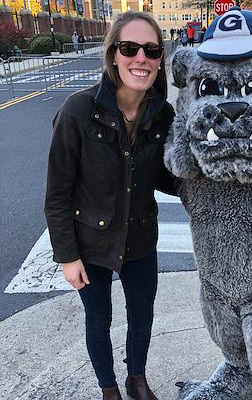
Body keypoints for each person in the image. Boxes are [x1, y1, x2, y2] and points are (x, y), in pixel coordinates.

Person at [45, 11, 177, 400]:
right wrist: (67, 256)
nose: (141, 58)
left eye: (151, 50)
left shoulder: (163, 115)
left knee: (142, 315)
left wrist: (208, 182)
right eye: (130, 48)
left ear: (159, 59)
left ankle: (137, 380)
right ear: (113, 55)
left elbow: (167, 176)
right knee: (98, 318)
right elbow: (57, 194)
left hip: (140, 237)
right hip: (91, 243)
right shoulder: (77, 111)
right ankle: (109, 389)